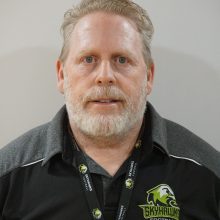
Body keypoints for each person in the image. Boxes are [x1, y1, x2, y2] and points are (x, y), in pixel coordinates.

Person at [0, 0, 219, 219]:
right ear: (61, 75)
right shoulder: (7, 174)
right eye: (88, 59)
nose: (105, 76)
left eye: (122, 59)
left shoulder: (209, 174)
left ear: (149, 77)